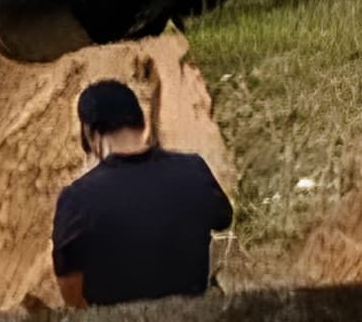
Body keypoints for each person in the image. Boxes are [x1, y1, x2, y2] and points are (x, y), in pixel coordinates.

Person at [51, 80, 233, 307]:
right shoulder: (193, 169)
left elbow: (71, 291)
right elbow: (223, 219)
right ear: (142, 121)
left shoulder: (77, 198)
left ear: (90, 133)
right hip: (193, 319)